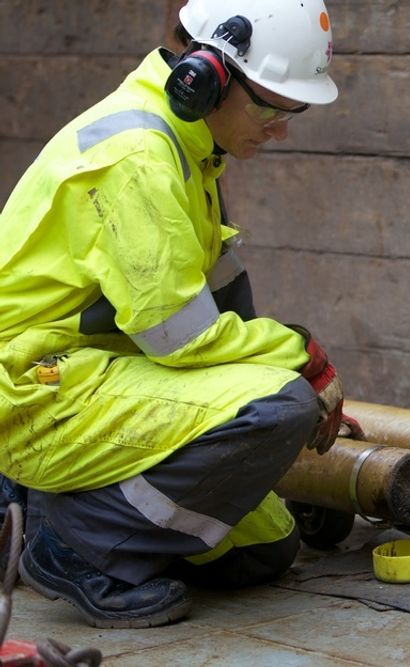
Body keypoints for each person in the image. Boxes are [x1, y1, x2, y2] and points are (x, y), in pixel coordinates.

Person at [0, 0, 354, 628]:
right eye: (272, 105)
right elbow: (180, 338)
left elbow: (221, 297)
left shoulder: (191, 151)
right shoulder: (137, 157)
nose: (281, 129)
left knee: (265, 552)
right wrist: (299, 359)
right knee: (280, 405)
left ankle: (43, 503)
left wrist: (278, 370)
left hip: (95, 375)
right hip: (34, 387)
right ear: (205, 77)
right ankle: (68, 543)